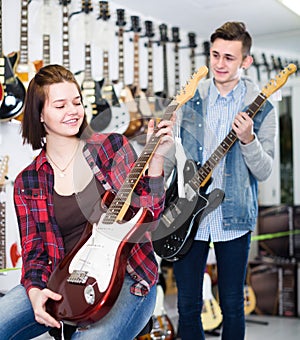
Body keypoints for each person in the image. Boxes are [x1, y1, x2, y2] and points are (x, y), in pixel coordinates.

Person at [0, 64, 174, 339]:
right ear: (40, 114)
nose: (73, 111)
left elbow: (148, 217)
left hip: (127, 276)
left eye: (77, 102)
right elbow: (34, 254)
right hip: (61, 279)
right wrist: (34, 293)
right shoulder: (27, 182)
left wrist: (157, 160)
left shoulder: (111, 148)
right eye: (60, 105)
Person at [164, 22, 277, 339]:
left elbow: (265, 171)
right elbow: (175, 157)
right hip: (188, 216)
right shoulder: (191, 99)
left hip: (234, 217)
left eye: (229, 57)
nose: (219, 64)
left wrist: (248, 140)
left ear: (246, 61)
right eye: (215, 54)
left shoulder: (262, 108)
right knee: (187, 306)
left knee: (232, 305)